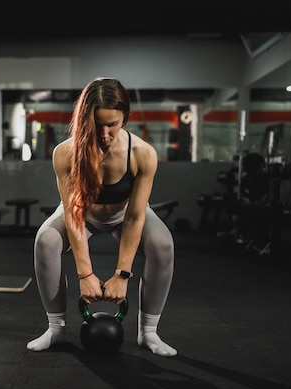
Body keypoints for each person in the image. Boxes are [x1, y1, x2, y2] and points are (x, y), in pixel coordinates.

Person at [26, 77, 177, 357]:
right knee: (46, 240)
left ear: (125, 118)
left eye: (113, 124)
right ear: (85, 119)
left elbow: (134, 216)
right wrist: (86, 274)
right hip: (83, 213)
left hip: (125, 213)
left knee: (163, 244)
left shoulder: (143, 154)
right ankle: (56, 329)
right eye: (97, 125)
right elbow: (73, 212)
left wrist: (122, 274)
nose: (105, 134)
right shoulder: (66, 153)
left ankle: (149, 332)